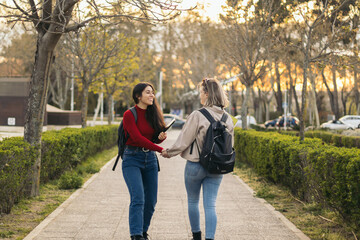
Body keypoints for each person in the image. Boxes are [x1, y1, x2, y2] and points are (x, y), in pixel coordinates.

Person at [161, 78, 234, 240]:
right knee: (211, 204)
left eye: (201, 92)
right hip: (217, 167)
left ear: (207, 94)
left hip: (195, 166)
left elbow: (184, 140)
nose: (200, 95)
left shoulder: (198, 115)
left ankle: (196, 236)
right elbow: (230, 145)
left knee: (193, 201)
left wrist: (169, 152)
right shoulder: (227, 118)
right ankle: (210, 238)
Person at [122, 82, 167, 240]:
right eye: (148, 92)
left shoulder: (152, 113)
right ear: (137, 96)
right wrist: (160, 149)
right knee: (138, 197)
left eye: (152, 93)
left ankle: (143, 231)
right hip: (132, 158)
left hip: (150, 160)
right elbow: (137, 138)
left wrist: (160, 139)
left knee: (151, 200)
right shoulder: (129, 114)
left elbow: (152, 138)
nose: (151, 96)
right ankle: (136, 235)